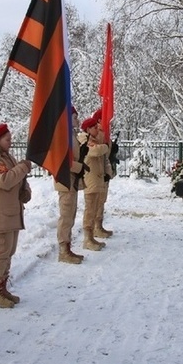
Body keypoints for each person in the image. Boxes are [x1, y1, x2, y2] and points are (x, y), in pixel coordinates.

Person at [0, 123, 32, 308]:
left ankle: (2, 287)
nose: (10, 143)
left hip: (9, 213)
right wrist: (23, 168)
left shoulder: (5, 157)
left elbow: (16, 179)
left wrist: (25, 189)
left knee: (8, 252)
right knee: (1, 253)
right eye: (7, 139)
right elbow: (5, 180)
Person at [55, 107, 88, 264]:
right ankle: (63, 249)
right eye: (75, 116)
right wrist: (79, 167)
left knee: (71, 214)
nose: (77, 119)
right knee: (66, 215)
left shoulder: (71, 134)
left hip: (72, 179)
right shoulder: (62, 135)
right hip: (65, 179)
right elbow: (62, 160)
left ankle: (67, 247)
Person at [79, 116, 110, 251]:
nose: (98, 129)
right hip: (90, 180)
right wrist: (105, 145)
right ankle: (87, 238)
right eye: (95, 128)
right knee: (90, 209)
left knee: (96, 206)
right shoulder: (85, 140)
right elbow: (96, 151)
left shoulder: (94, 140)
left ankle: (92, 235)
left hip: (97, 179)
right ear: (88, 129)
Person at [91, 108, 117, 238]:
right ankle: (95, 226)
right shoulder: (98, 133)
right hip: (97, 172)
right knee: (98, 200)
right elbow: (99, 151)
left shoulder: (104, 133)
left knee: (102, 199)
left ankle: (99, 224)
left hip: (104, 171)